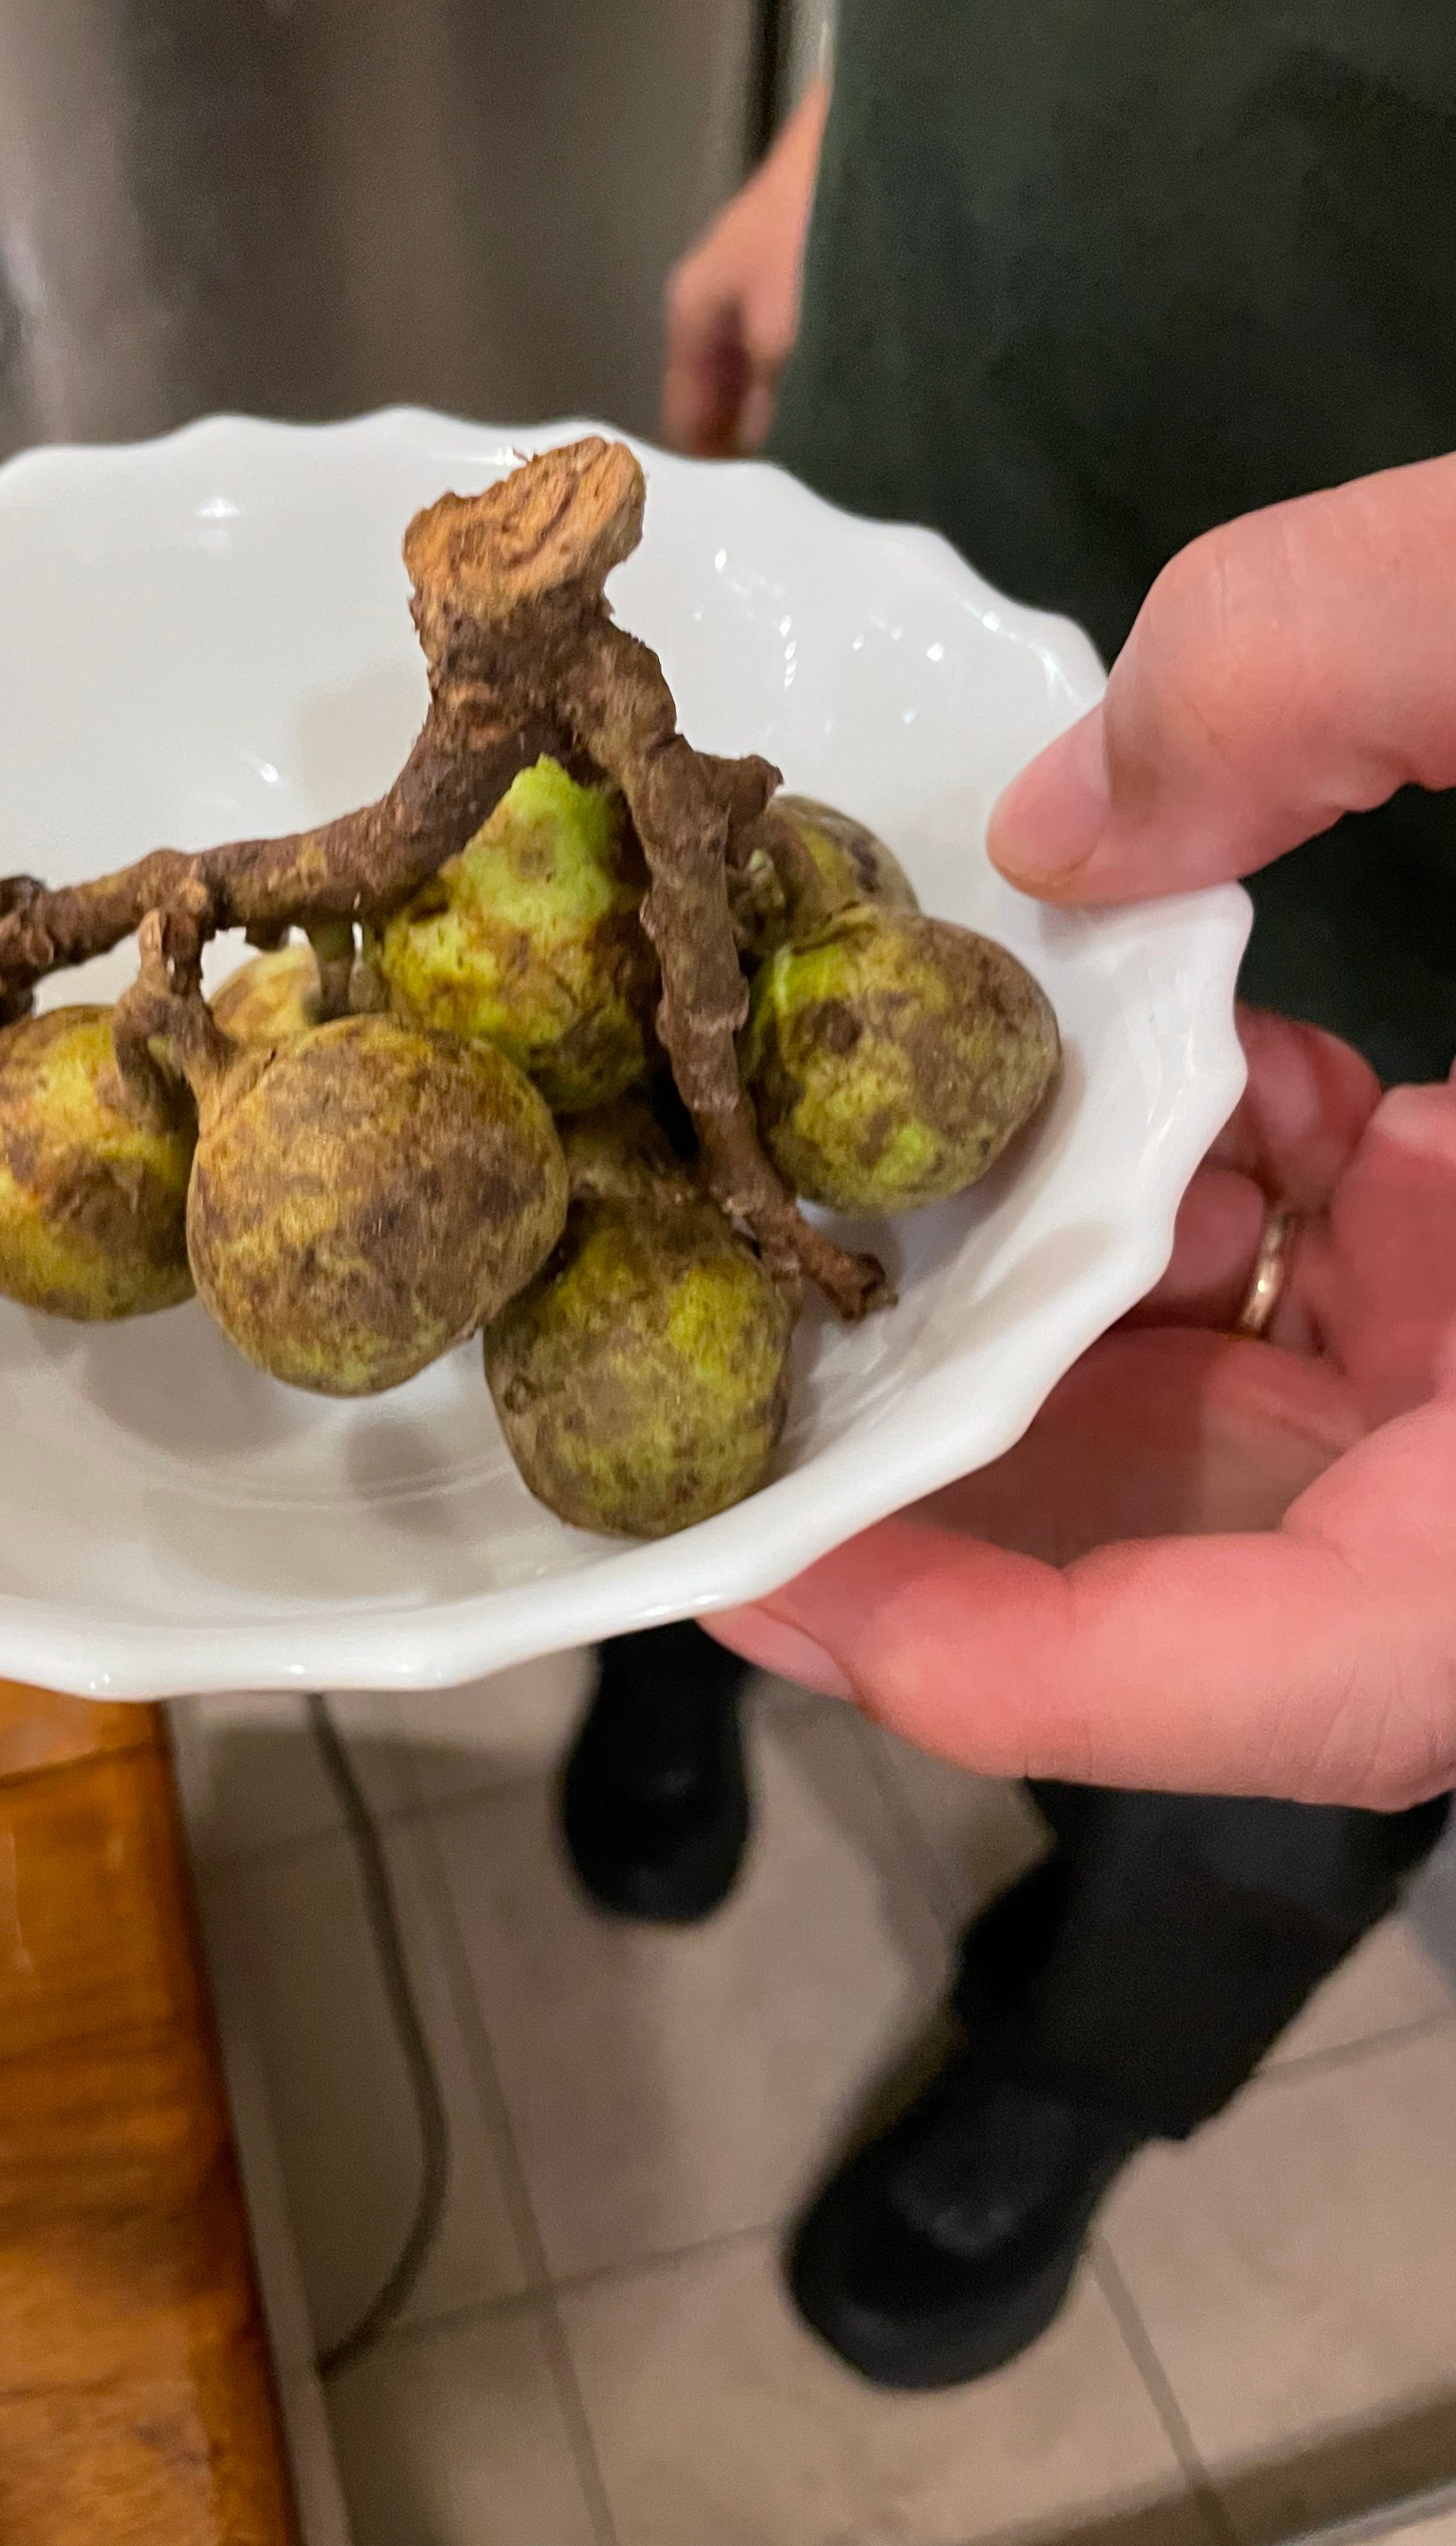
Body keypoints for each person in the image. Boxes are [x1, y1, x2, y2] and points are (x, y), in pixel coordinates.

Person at [561, 2, 1456, 2393]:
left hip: (1406, 932)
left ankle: (1079, 2062)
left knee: (1290, 1580)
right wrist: (862, 116)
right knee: (677, 1202)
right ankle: (660, 1666)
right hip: (952, 396)